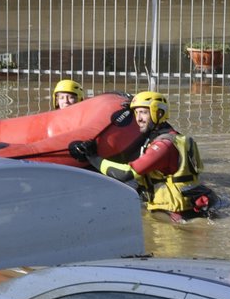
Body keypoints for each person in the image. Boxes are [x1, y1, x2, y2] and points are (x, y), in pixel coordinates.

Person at [69, 90, 212, 217]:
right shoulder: (174, 137)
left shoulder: (163, 146)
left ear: (159, 113)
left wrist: (92, 158)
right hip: (186, 205)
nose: (138, 118)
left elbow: (126, 174)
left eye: (143, 112)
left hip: (174, 215)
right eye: (136, 113)